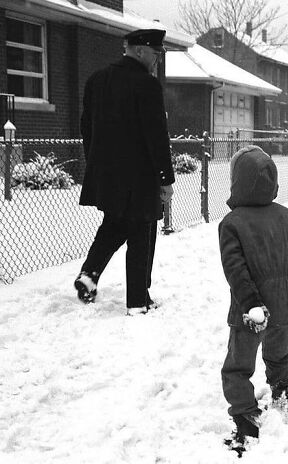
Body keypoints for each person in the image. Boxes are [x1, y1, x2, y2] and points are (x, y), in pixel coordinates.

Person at [219, 146, 288, 455]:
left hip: (253, 311)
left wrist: (250, 302)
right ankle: (281, 393)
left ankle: (246, 421)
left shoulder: (232, 223)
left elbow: (235, 269)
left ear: (237, 181)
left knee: (238, 366)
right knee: (279, 356)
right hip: (286, 308)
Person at [74, 29, 174, 315]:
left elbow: (86, 128)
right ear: (139, 50)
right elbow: (157, 136)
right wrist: (166, 179)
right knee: (142, 234)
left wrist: (96, 164)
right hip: (141, 177)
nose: (157, 60)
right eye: (155, 53)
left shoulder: (97, 80)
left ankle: (89, 274)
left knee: (114, 224)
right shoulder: (146, 85)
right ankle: (138, 301)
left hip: (108, 176)